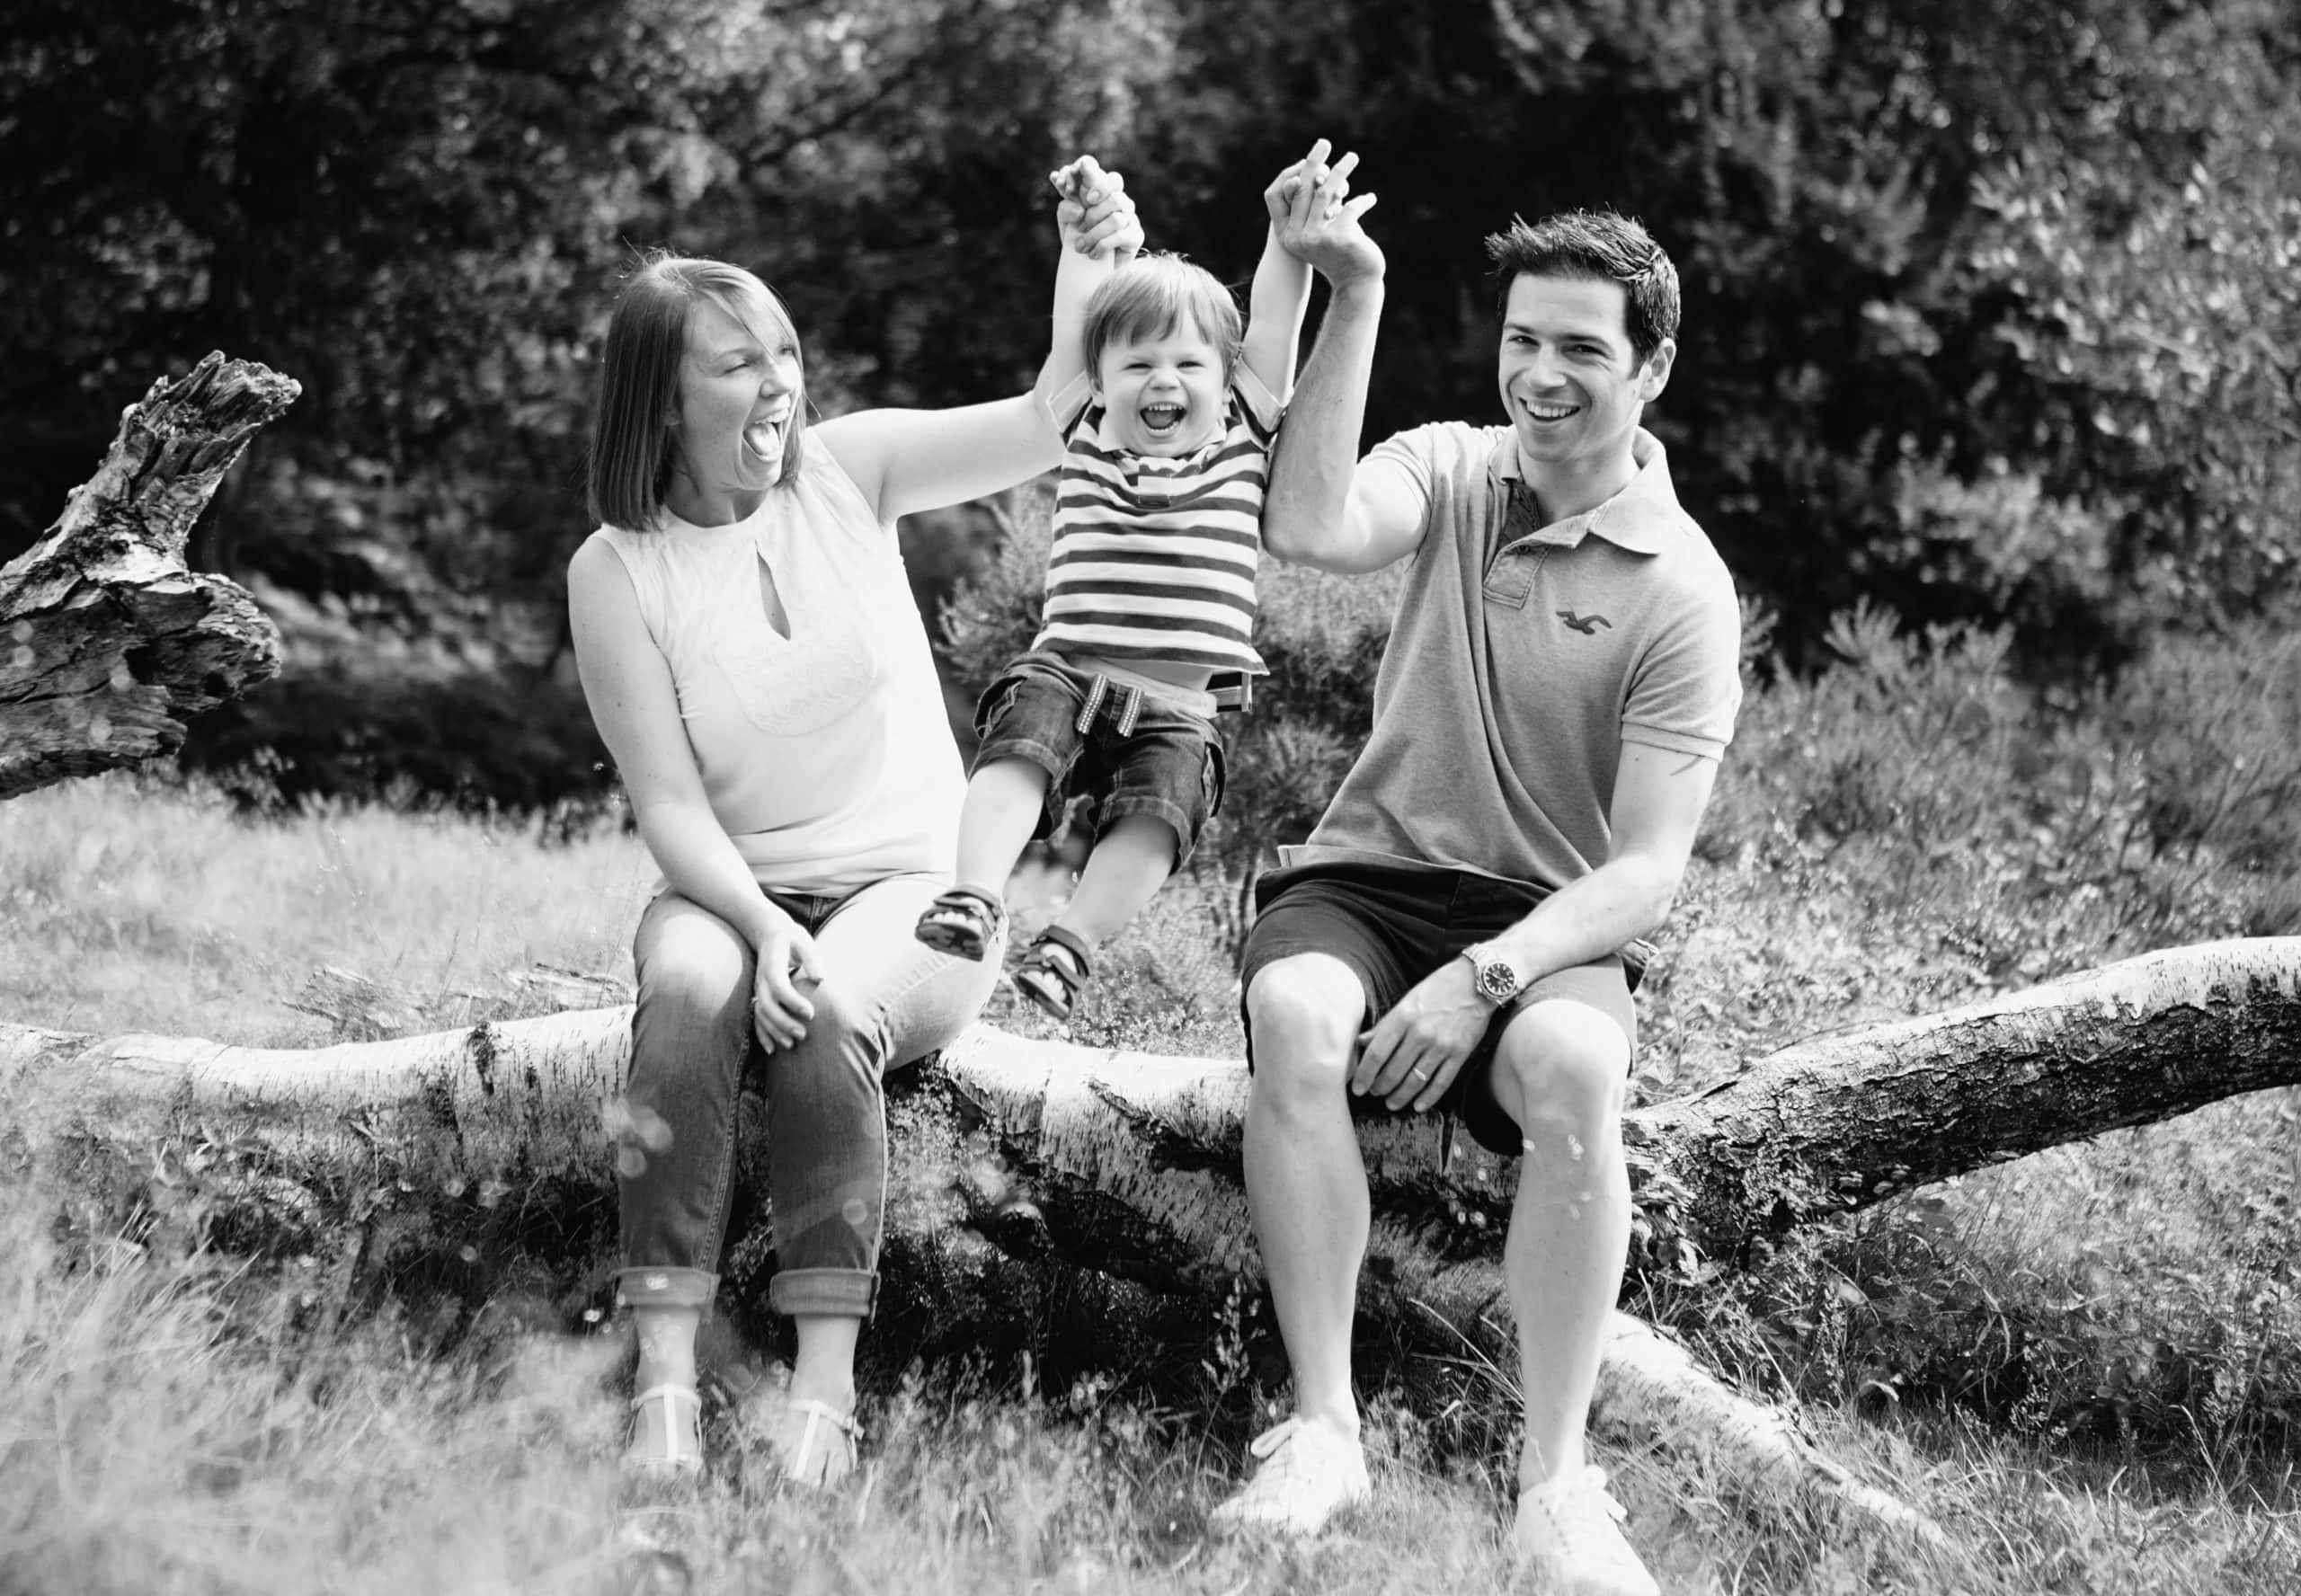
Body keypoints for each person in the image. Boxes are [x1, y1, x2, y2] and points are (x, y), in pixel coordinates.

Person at [567, 164, 1143, 1485]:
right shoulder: (617, 570)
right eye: (736, 367)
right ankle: (664, 1383)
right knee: (685, 1000)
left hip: (913, 886)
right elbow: (667, 804)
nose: (777, 387)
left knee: (830, 1015)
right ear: (661, 400)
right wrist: (762, 925)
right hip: (730, 887)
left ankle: (820, 1395)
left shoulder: (851, 470)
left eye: (783, 354)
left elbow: (1059, 413)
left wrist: (1087, 254)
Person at [1214, 166, 1742, 1596]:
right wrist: (1354, 289)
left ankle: (1556, 1487)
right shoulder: (1455, 465)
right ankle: (1325, 1428)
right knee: (1300, 1020)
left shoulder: (1683, 588)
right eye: (1524, 340)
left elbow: (1643, 875)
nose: (1543, 374)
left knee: (1576, 1073)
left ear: (1654, 367)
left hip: (1549, 925)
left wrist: (1483, 980)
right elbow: (1308, 524)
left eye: (1581, 347)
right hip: (1373, 879)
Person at [912, 145, 1373, 1023]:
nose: (1163, 379)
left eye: (1189, 365)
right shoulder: (1086, 421)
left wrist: (1290, 237)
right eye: (1137, 365)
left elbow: (1272, 322)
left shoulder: (1242, 430)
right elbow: (1078, 322)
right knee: (1016, 755)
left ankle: (1068, 947)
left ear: (1225, 378)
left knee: (1157, 818)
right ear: (1104, 379)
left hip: (1178, 705)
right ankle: (973, 896)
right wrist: (1086, 229)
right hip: (1068, 671)